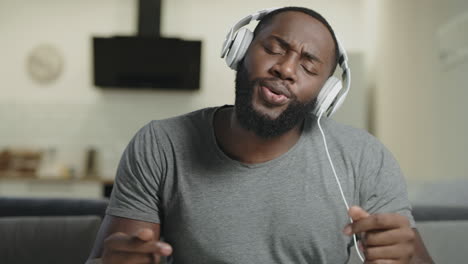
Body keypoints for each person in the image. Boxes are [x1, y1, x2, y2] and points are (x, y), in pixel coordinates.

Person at [87, 6, 434, 264]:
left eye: (309, 65)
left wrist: (409, 258)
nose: (285, 68)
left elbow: (411, 255)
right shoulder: (160, 145)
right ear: (240, 49)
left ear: (325, 94)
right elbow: (120, 252)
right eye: (273, 48)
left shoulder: (365, 159)